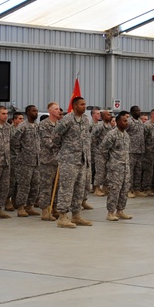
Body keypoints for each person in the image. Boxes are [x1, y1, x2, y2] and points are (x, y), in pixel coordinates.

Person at [52, 95, 92, 228]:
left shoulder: (86, 120)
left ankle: (76, 215)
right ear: (74, 106)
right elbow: (55, 137)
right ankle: (62, 217)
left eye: (85, 104)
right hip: (69, 160)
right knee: (66, 188)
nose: (84, 107)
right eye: (81, 104)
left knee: (79, 189)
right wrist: (62, 153)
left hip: (82, 160)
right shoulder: (67, 120)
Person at [101, 112, 132, 221]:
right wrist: (110, 161)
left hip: (125, 167)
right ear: (118, 122)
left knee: (124, 190)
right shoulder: (112, 134)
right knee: (115, 190)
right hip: (115, 167)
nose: (126, 123)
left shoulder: (126, 135)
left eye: (127, 121)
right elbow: (103, 149)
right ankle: (110, 212)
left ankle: (120, 211)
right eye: (124, 121)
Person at [11, 104, 41, 216]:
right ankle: (21, 207)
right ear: (28, 112)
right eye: (33, 111)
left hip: (36, 161)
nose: (36, 113)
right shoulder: (22, 126)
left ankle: (30, 206)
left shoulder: (37, 126)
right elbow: (14, 141)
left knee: (35, 185)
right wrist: (22, 154)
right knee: (24, 185)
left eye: (37, 111)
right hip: (24, 162)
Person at [37, 103, 61, 221]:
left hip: (58, 160)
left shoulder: (59, 124)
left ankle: (54, 207)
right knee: (46, 187)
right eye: (56, 109)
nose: (58, 111)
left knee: (56, 187)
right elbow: (48, 142)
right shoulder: (44, 125)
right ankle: (45, 210)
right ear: (50, 111)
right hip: (47, 160)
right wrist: (61, 144)